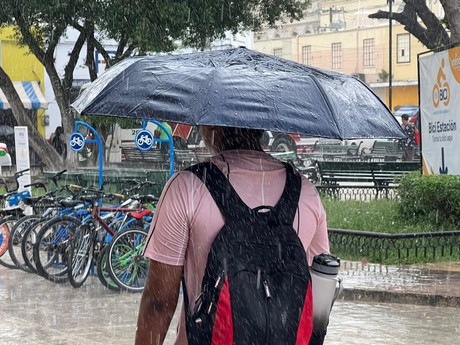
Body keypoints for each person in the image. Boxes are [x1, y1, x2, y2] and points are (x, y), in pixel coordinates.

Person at [135, 125, 330, 345]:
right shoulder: (306, 193)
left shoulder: (186, 188)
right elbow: (321, 295)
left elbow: (159, 303)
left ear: (212, 127)